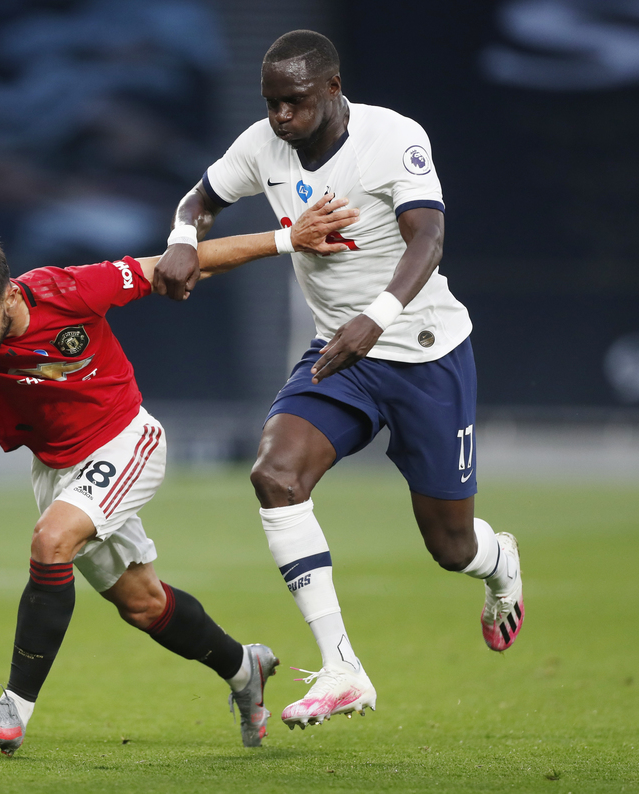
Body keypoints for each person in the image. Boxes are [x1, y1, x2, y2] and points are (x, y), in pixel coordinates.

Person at [0, 197, 358, 755]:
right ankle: (245, 668)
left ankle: (12, 709)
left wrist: (288, 239)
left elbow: (186, 262)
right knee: (143, 604)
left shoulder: (71, 289)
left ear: (10, 295)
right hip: (57, 468)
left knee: (51, 541)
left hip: (124, 441)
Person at [153, 29, 525, 731]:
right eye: (271, 103)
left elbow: (428, 238)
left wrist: (375, 319)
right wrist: (181, 240)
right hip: (338, 355)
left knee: (451, 547)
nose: (280, 117)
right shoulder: (261, 144)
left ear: (332, 88)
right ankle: (342, 667)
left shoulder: (392, 138)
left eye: (293, 102)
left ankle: (498, 557)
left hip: (424, 351)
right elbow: (196, 201)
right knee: (275, 475)